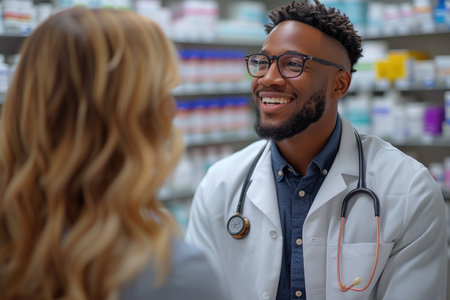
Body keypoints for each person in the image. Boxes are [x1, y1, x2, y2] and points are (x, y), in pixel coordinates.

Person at [185, 1, 448, 299]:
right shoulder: (219, 184)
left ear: (339, 84)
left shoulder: (409, 189)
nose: (268, 78)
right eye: (263, 62)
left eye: (293, 64)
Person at [0, 7, 227, 300]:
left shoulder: (14, 244)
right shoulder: (171, 275)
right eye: (162, 92)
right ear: (131, 121)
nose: (172, 110)